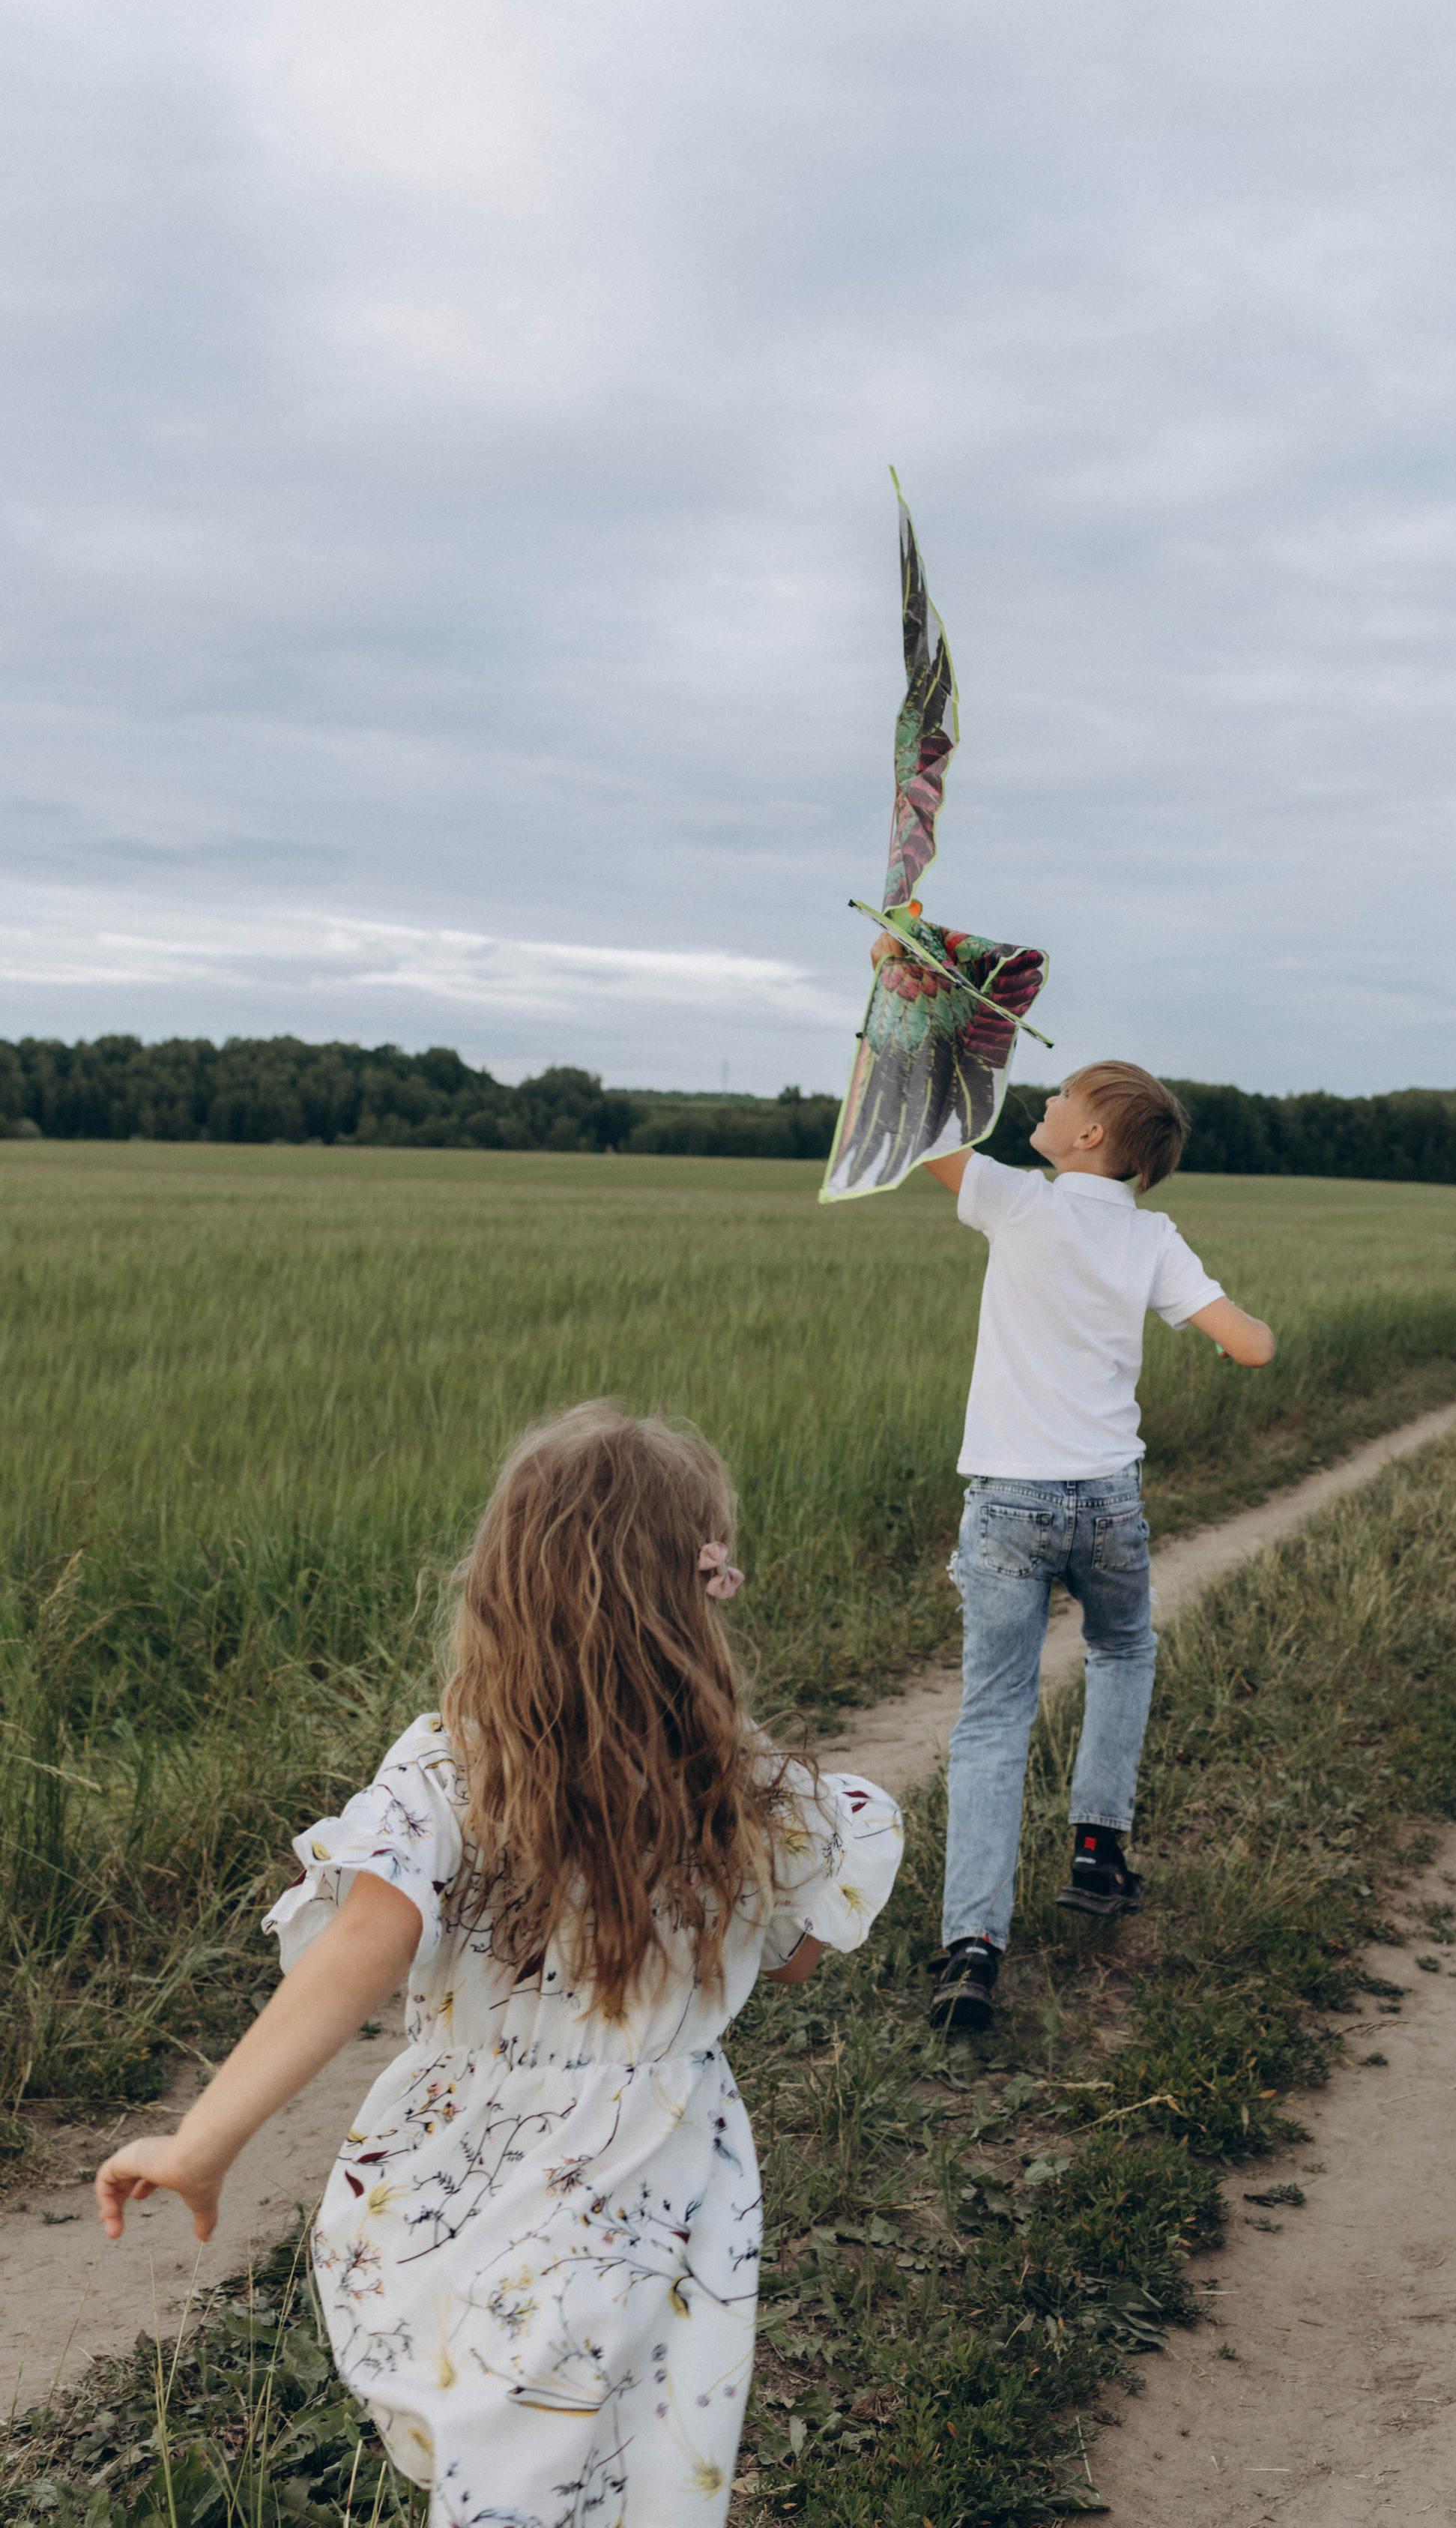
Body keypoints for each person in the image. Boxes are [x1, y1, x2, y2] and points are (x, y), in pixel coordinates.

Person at [95, 1404, 902, 2527]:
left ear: (503, 1590)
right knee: (644, 2452)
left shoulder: (450, 1776)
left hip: (468, 2167)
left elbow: (350, 1963)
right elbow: (799, 1959)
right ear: (698, 1594)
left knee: (505, 2458)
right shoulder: (742, 1786)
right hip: (666, 2176)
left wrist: (204, 2139)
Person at [892, 998, 1274, 2033]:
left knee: (993, 1719)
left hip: (1009, 1501)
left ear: (1091, 1134)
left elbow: (918, 1124)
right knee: (1123, 1652)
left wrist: (911, 1006)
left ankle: (972, 1948)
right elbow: (1251, 1346)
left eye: (1062, 1095)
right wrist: (1233, 1320)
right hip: (1106, 1500)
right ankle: (1098, 1853)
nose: (1047, 1100)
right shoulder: (1152, 1238)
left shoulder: (1018, 1203)